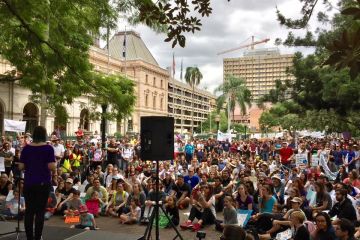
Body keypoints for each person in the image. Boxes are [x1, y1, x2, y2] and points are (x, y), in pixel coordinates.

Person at [19, 126, 57, 240]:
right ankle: (37, 237)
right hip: (43, 183)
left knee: (29, 211)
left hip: (29, 183)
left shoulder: (26, 148)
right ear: (44, 135)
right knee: (40, 212)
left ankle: (29, 237)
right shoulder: (48, 148)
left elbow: (21, 166)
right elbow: (52, 167)